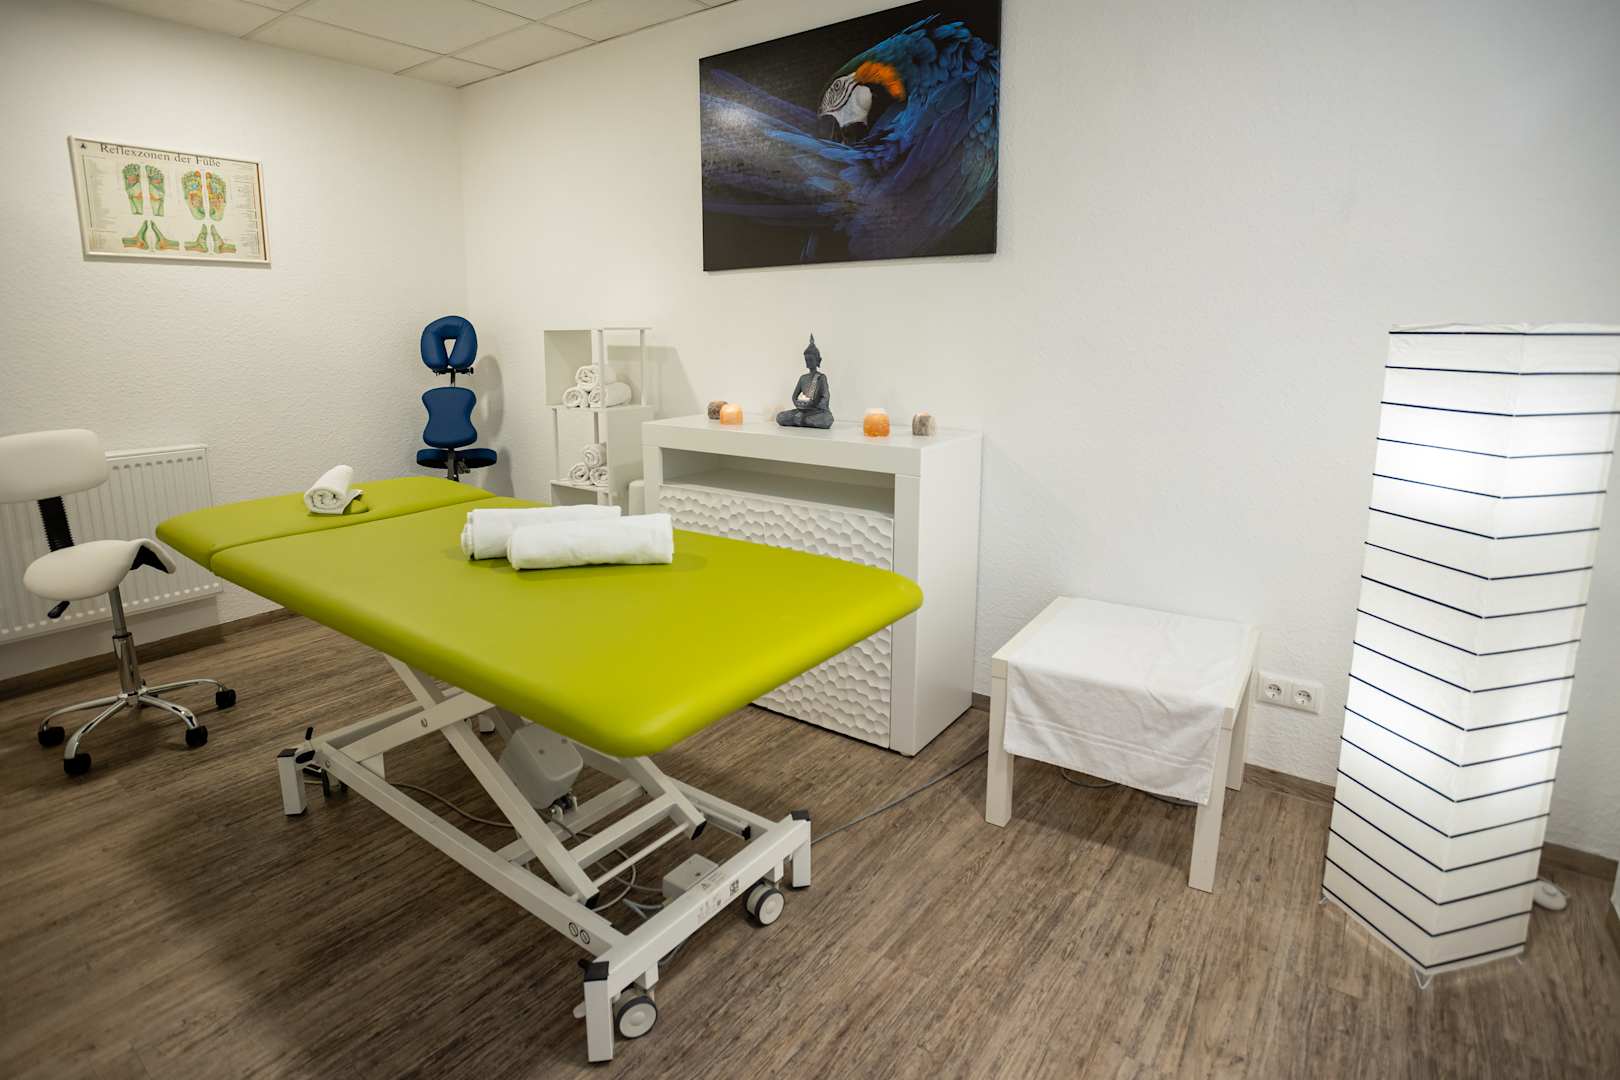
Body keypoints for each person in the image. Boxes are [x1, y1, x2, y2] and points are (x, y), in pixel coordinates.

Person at [776, 335, 834, 428]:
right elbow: (794, 397)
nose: (808, 362)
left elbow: (825, 397)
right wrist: (799, 404)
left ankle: (802, 420)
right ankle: (802, 420)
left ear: (818, 360)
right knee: (780, 417)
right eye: (806, 360)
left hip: (817, 411)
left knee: (827, 420)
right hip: (803, 410)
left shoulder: (821, 378)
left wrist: (815, 405)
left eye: (811, 360)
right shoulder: (803, 378)